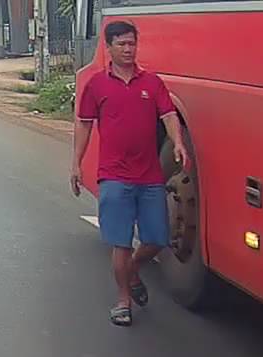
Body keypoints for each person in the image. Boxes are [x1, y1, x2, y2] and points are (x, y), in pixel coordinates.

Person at [71, 20, 187, 327]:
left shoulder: (152, 83)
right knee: (120, 242)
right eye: (121, 44)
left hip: (149, 176)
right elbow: (84, 124)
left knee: (158, 239)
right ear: (108, 48)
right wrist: (76, 163)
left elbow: (169, 114)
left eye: (131, 44)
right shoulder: (97, 85)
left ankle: (133, 269)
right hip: (114, 177)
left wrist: (178, 142)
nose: (127, 49)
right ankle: (123, 300)